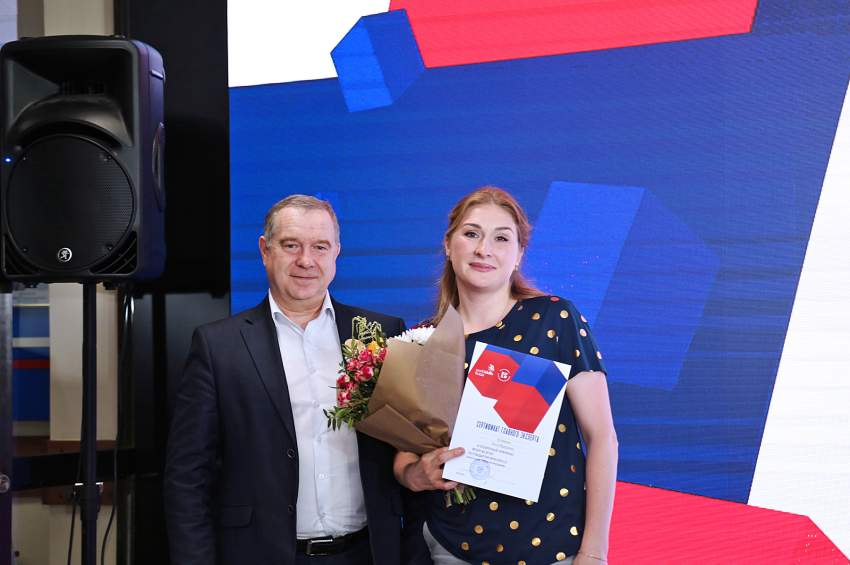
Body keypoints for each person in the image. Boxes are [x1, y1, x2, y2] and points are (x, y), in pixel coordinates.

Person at [164, 195, 424, 565]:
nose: (306, 260)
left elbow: (408, 449)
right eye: (291, 245)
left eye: (320, 247)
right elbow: (188, 477)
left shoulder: (380, 334)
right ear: (264, 250)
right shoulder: (217, 346)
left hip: (367, 554)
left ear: (336, 253)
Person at [394, 187, 618, 565]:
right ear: (448, 245)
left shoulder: (554, 319)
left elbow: (602, 438)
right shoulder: (420, 341)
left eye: (501, 238)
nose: (484, 249)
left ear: (519, 254)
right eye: (471, 233)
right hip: (451, 547)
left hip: (552, 546)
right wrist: (416, 475)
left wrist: (594, 552)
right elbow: (404, 458)